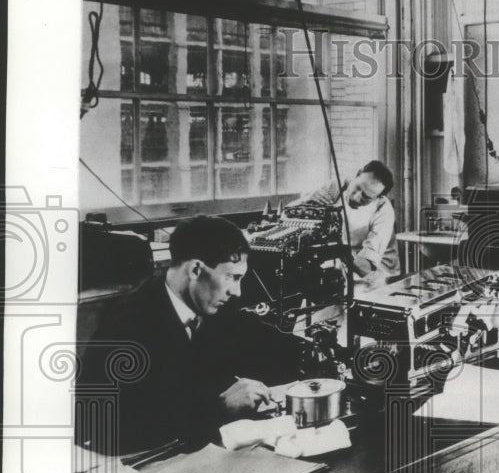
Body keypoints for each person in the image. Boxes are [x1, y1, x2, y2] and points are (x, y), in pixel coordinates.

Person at [76, 216, 300, 455]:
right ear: (195, 269)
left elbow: (266, 345)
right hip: (147, 467)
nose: (237, 291)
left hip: (207, 451)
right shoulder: (126, 327)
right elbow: (119, 427)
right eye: (232, 277)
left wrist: (311, 353)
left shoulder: (214, 307)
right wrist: (221, 407)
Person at [295, 160, 400, 287]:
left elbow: (366, 269)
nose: (356, 197)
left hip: (375, 279)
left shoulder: (383, 210)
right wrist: (306, 203)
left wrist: (338, 247)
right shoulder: (337, 187)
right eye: (357, 188)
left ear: (378, 198)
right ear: (357, 175)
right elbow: (287, 212)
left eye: (366, 198)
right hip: (341, 268)